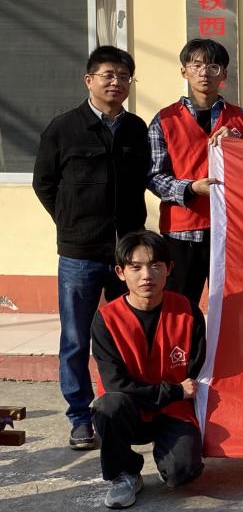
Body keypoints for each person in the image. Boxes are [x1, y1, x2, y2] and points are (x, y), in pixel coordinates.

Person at [32, 46, 151, 451]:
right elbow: (44, 183)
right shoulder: (63, 128)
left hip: (127, 255)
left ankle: (127, 408)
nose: (116, 82)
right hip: (79, 254)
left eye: (123, 76)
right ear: (89, 80)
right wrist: (70, 223)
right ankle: (80, 418)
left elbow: (146, 178)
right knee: (75, 338)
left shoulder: (136, 129)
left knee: (127, 334)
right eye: (108, 75)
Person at [91, 230, 205, 509]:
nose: (146, 276)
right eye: (136, 267)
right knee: (108, 406)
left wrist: (176, 395)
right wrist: (174, 391)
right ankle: (124, 473)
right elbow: (116, 384)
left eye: (155, 265)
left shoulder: (188, 312)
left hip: (173, 409)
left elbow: (196, 372)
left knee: (182, 473)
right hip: (129, 408)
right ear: (120, 272)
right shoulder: (106, 319)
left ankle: (169, 454)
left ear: (169, 268)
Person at [148, 39, 243, 306]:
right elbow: (153, 176)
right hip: (182, 231)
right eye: (196, 65)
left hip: (232, 230)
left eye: (213, 67)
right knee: (179, 305)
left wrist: (237, 144)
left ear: (224, 74)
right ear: (184, 71)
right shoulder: (164, 120)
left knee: (233, 306)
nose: (204, 73)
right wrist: (190, 189)